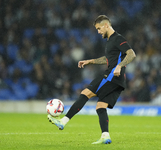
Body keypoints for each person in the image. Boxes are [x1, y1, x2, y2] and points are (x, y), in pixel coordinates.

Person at [47, 15, 136, 144]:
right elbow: (107, 59)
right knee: (100, 106)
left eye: (99, 28)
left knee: (85, 93)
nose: (98, 32)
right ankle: (105, 136)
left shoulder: (118, 38)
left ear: (106, 25)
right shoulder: (111, 41)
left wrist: (119, 66)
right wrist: (91, 61)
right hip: (119, 81)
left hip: (111, 76)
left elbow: (131, 53)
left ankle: (62, 121)